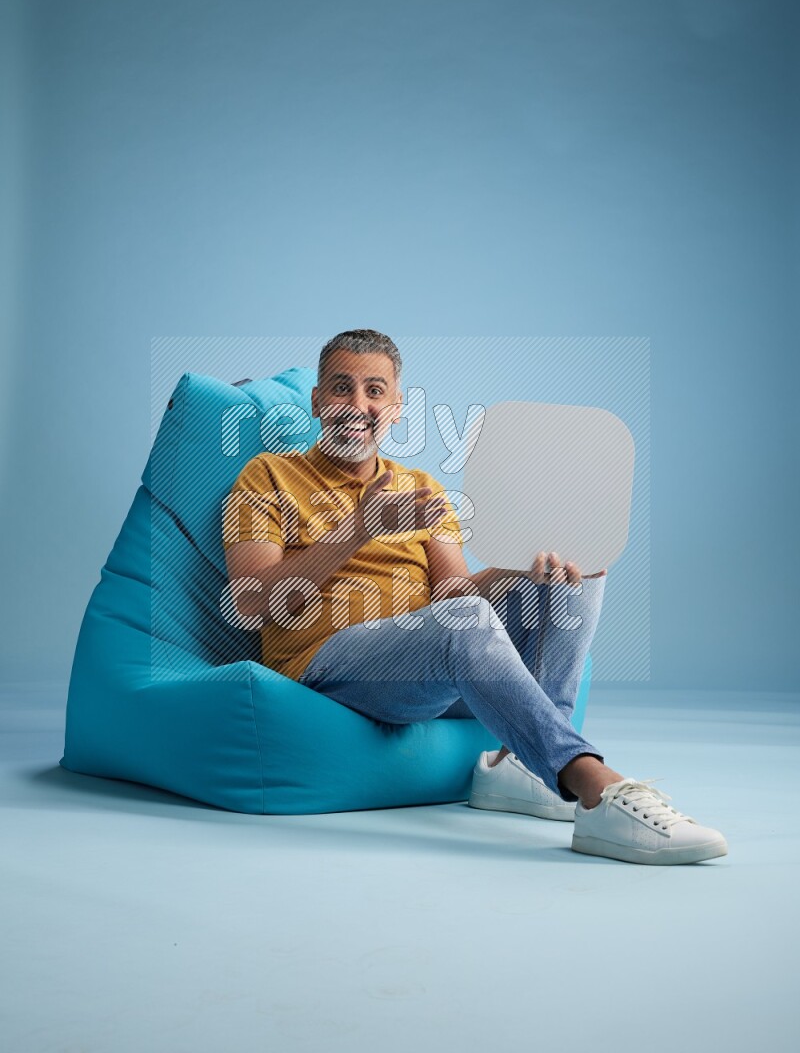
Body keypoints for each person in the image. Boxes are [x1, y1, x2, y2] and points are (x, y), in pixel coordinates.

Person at [222, 330, 728, 866]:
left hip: (427, 659)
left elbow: (456, 594)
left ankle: (521, 765)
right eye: (342, 388)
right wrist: (360, 528)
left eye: (374, 391)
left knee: (577, 574)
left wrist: (524, 571)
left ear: (395, 407)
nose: (358, 405)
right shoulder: (267, 475)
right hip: (326, 663)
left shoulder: (422, 488)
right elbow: (254, 603)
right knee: (462, 621)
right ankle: (592, 783)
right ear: (318, 400)